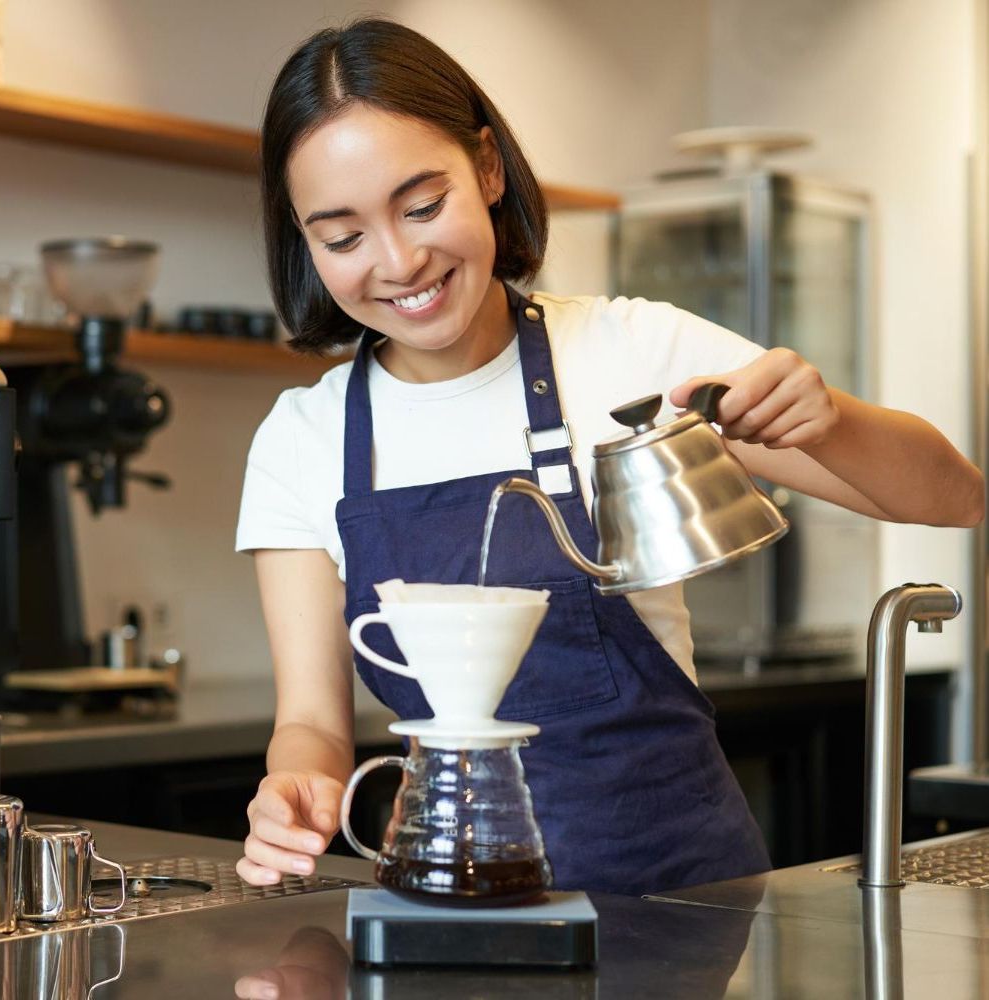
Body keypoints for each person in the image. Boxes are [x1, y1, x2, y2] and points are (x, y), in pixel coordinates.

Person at [234, 18, 984, 895]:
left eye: (423, 205)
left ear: (487, 168)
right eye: (343, 236)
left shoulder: (630, 351)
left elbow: (953, 496)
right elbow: (314, 724)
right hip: (458, 896)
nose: (399, 261)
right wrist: (299, 783)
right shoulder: (302, 439)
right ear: (303, 238)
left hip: (685, 904)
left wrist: (830, 420)